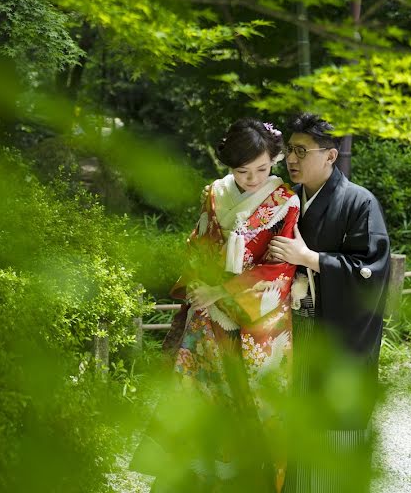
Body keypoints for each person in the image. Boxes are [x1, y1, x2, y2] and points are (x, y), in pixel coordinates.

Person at [132, 118, 302, 493]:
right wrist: (200, 286)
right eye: (243, 171)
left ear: (273, 159)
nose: (254, 178)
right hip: (208, 314)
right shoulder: (214, 193)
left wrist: (222, 291)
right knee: (197, 397)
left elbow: (279, 266)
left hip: (259, 320)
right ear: (228, 166)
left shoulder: (284, 201)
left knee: (254, 401)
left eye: (262, 168)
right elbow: (196, 243)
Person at [267, 113, 390, 493]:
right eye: (289, 149)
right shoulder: (286, 201)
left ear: (331, 156)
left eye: (302, 150)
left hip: (336, 337)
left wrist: (310, 258)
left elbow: (371, 272)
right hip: (288, 331)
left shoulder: (359, 202)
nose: (292, 158)